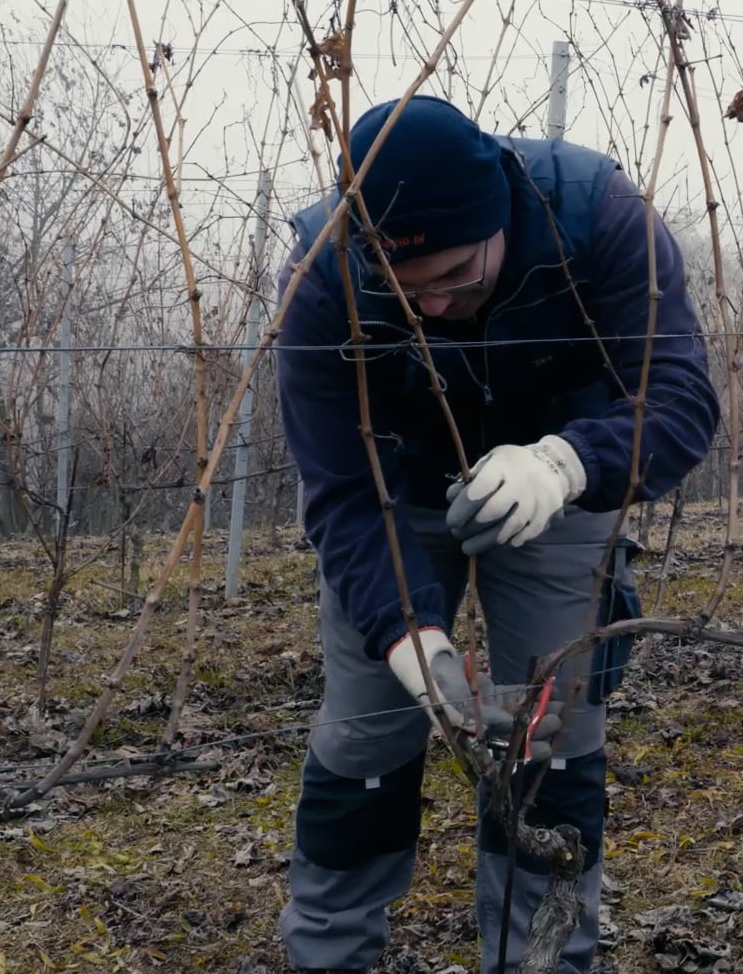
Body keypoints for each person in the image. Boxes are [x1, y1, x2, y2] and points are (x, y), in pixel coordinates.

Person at [270, 94, 719, 973]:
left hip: (561, 484)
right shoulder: (322, 275)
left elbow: (679, 398)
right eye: (408, 290)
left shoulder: (604, 219)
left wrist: (565, 464)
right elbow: (341, 493)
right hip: (397, 491)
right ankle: (329, 957)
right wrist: (416, 642)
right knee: (365, 732)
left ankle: (541, 960)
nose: (435, 306)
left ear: (501, 217)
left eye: (459, 278)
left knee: (551, 734)